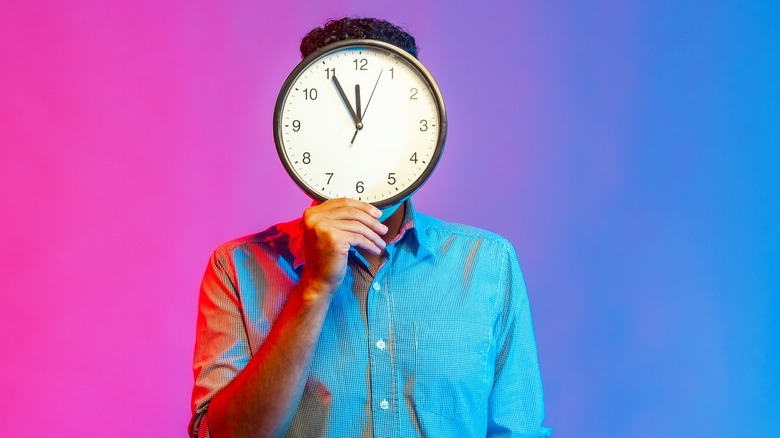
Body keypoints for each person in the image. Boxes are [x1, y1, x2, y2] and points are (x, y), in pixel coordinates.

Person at [189, 17, 552, 438]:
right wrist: (313, 288)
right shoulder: (237, 269)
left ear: (422, 128)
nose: (363, 132)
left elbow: (519, 431)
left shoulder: (488, 264)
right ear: (302, 130)